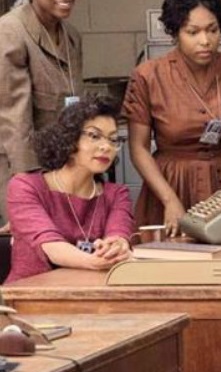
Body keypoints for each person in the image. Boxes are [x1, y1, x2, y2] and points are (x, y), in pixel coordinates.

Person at [123, 0, 221, 235]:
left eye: (212, 30)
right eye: (193, 32)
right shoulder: (148, 75)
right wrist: (169, 199)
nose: (205, 41)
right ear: (175, 33)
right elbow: (138, 148)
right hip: (169, 184)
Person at [0, 0, 84, 231]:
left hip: (67, 175)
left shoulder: (72, 36)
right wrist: (25, 200)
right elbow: (15, 126)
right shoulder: (11, 33)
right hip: (25, 178)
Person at [5, 96, 133, 283]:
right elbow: (51, 246)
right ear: (69, 139)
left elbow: (118, 235)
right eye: (94, 136)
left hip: (95, 292)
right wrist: (95, 261)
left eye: (113, 139)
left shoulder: (117, 194)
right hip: (30, 294)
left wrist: (116, 248)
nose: (106, 147)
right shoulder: (25, 186)